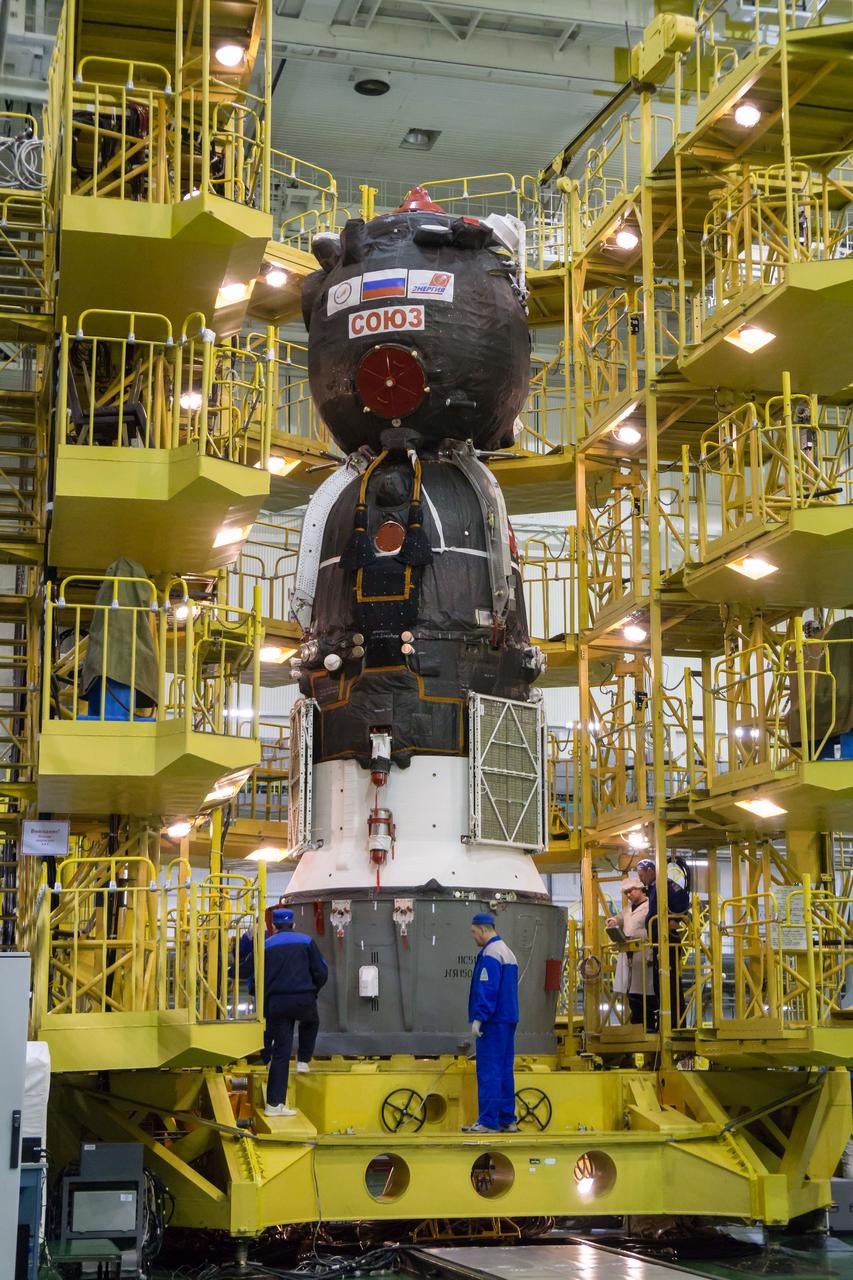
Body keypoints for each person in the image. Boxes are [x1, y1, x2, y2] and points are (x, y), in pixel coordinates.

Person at [262, 906, 329, 1117]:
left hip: (276, 1003)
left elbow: (254, 975)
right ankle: (303, 1061)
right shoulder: (306, 941)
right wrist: (314, 991)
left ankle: (274, 1104)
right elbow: (320, 970)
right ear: (293, 924)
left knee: (280, 1053)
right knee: (311, 1021)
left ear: (273, 926)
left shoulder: (266, 945)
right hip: (302, 998)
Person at [463, 912, 519, 1134]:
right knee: (505, 1070)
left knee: (489, 1071)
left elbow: (488, 989)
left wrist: (479, 1018)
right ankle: (507, 1119)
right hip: (507, 1019)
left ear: (484, 929)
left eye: (474, 932)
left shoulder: (491, 953)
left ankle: (488, 1122)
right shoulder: (507, 952)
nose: (473, 937)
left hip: (493, 1022)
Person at [636, 858, 690, 1030]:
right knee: (661, 985)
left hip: (669, 941)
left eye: (642, 875)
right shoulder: (654, 888)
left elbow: (682, 899)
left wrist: (674, 920)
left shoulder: (665, 885)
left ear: (651, 870)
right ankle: (667, 1023)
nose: (641, 879)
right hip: (659, 943)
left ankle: (675, 1024)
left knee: (671, 985)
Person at [606, 878, 655, 1031]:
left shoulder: (651, 907)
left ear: (640, 889)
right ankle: (637, 1025)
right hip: (628, 954)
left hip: (644, 953)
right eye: (626, 892)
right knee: (631, 992)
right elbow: (619, 918)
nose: (629, 895)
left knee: (647, 993)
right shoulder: (628, 909)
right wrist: (612, 921)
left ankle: (649, 1025)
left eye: (631, 891)